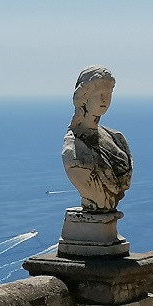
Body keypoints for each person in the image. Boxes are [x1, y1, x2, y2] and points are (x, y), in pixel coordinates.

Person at [62, 66, 132, 212]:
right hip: (96, 214)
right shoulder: (73, 149)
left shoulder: (117, 138)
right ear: (84, 97)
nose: (104, 99)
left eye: (108, 93)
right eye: (98, 93)